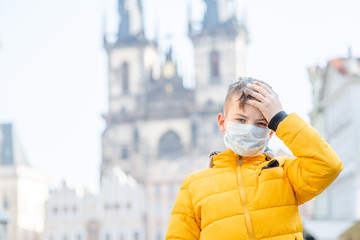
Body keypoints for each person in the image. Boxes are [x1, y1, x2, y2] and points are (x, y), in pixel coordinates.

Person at [165, 77, 343, 240]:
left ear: (271, 131)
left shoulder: (285, 173)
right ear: (222, 122)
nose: (250, 129)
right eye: (241, 120)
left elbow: (328, 166)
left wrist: (281, 119)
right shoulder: (194, 185)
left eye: (261, 123)